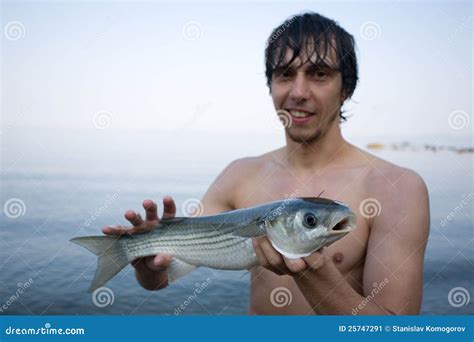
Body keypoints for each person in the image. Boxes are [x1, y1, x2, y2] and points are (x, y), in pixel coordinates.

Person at [102, 12, 430, 315]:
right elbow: (164, 276)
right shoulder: (240, 174)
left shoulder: (396, 187)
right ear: (270, 86)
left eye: (319, 74)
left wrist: (311, 272)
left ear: (347, 87)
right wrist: (147, 263)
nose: (299, 92)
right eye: (285, 74)